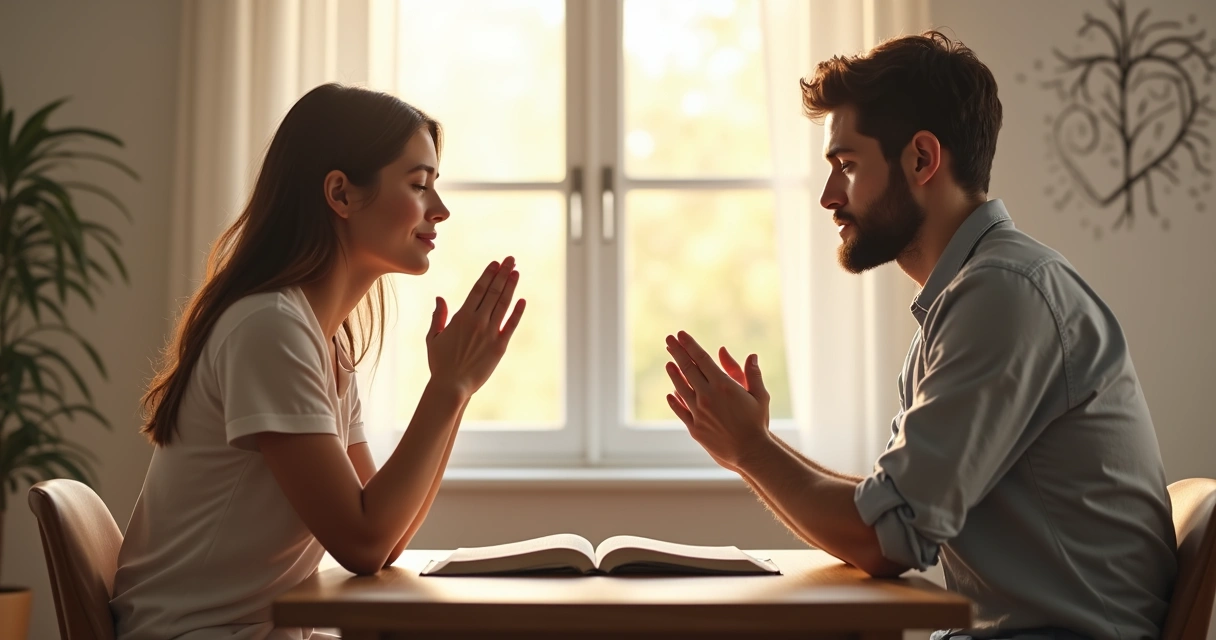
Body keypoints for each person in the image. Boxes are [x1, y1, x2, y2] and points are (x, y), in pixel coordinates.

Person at [663, 31, 1176, 640]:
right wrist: (750, 447)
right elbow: (892, 508)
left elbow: (889, 538)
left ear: (922, 160)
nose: (829, 197)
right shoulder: (967, 297)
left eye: (847, 166)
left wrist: (751, 451)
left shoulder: (1002, 295)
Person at [111, 83, 526, 640]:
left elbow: (384, 537)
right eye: (419, 184)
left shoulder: (321, 340)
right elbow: (362, 543)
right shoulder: (269, 329)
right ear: (341, 194)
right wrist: (446, 389)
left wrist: (459, 386)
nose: (440, 210)